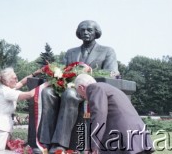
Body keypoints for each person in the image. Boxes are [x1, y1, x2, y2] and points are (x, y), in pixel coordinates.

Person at [39, 20, 119, 152]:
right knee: (47, 92)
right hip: (68, 87)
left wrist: (87, 73)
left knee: (69, 95)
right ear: (78, 33)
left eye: (89, 30)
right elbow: (63, 71)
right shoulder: (71, 52)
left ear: (96, 32)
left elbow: (113, 73)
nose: (86, 32)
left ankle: (60, 144)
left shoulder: (107, 51)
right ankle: (43, 142)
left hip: (90, 91)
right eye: (83, 30)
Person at [74, 74, 154, 154]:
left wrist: (93, 146)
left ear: (82, 87)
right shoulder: (109, 88)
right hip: (138, 135)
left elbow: (99, 116)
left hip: (122, 137)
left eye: (81, 95)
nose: (84, 98)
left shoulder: (94, 88)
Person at [0, 67, 45, 154]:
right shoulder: (6, 92)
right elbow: (29, 94)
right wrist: (49, 83)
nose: (17, 80)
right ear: (7, 81)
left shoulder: (5, 88)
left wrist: (35, 73)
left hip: (1, 127)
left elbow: (22, 82)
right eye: (14, 78)